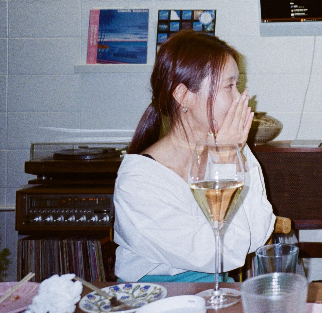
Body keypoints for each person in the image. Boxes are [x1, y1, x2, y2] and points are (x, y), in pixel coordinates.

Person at [113, 30, 275, 282]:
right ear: (183, 96)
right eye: (229, 86)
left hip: (217, 288)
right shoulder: (139, 180)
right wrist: (225, 159)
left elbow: (258, 233)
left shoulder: (230, 146)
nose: (239, 98)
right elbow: (222, 254)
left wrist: (231, 154)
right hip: (158, 295)